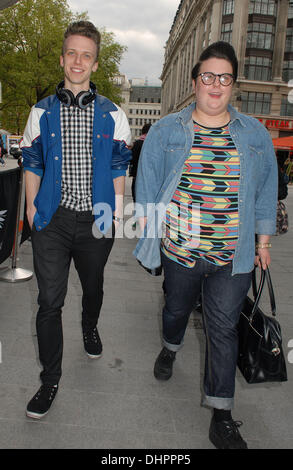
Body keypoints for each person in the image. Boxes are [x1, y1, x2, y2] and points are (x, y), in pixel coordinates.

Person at [134, 41, 277, 449]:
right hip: (179, 251)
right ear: (196, 82)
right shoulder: (166, 130)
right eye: (208, 77)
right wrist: (148, 228)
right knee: (176, 309)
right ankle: (170, 346)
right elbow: (147, 183)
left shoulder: (253, 134)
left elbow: (267, 189)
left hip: (232, 257)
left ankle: (223, 414)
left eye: (225, 78)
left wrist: (263, 241)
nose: (216, 85)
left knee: (222, 328)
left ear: (234, 85)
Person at [21, 21, 131, 419]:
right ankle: (49, 380)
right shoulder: (42, 112)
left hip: (95, 221)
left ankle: (89, 324)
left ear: (96, 64)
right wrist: (33, 209)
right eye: (72, 53)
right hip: (52, 219)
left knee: (94, 286)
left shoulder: (113, 115)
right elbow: (31, 162)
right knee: (49, 302)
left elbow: (120, 165)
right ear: (63, 58)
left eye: (86, 54)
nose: (78, 61)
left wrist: (114, 213)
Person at [129, 123, 151, 202]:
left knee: (136, 197)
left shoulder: (137, 143)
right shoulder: (153, 144)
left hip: (137, 175)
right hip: (149, 177)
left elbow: (131, 158)